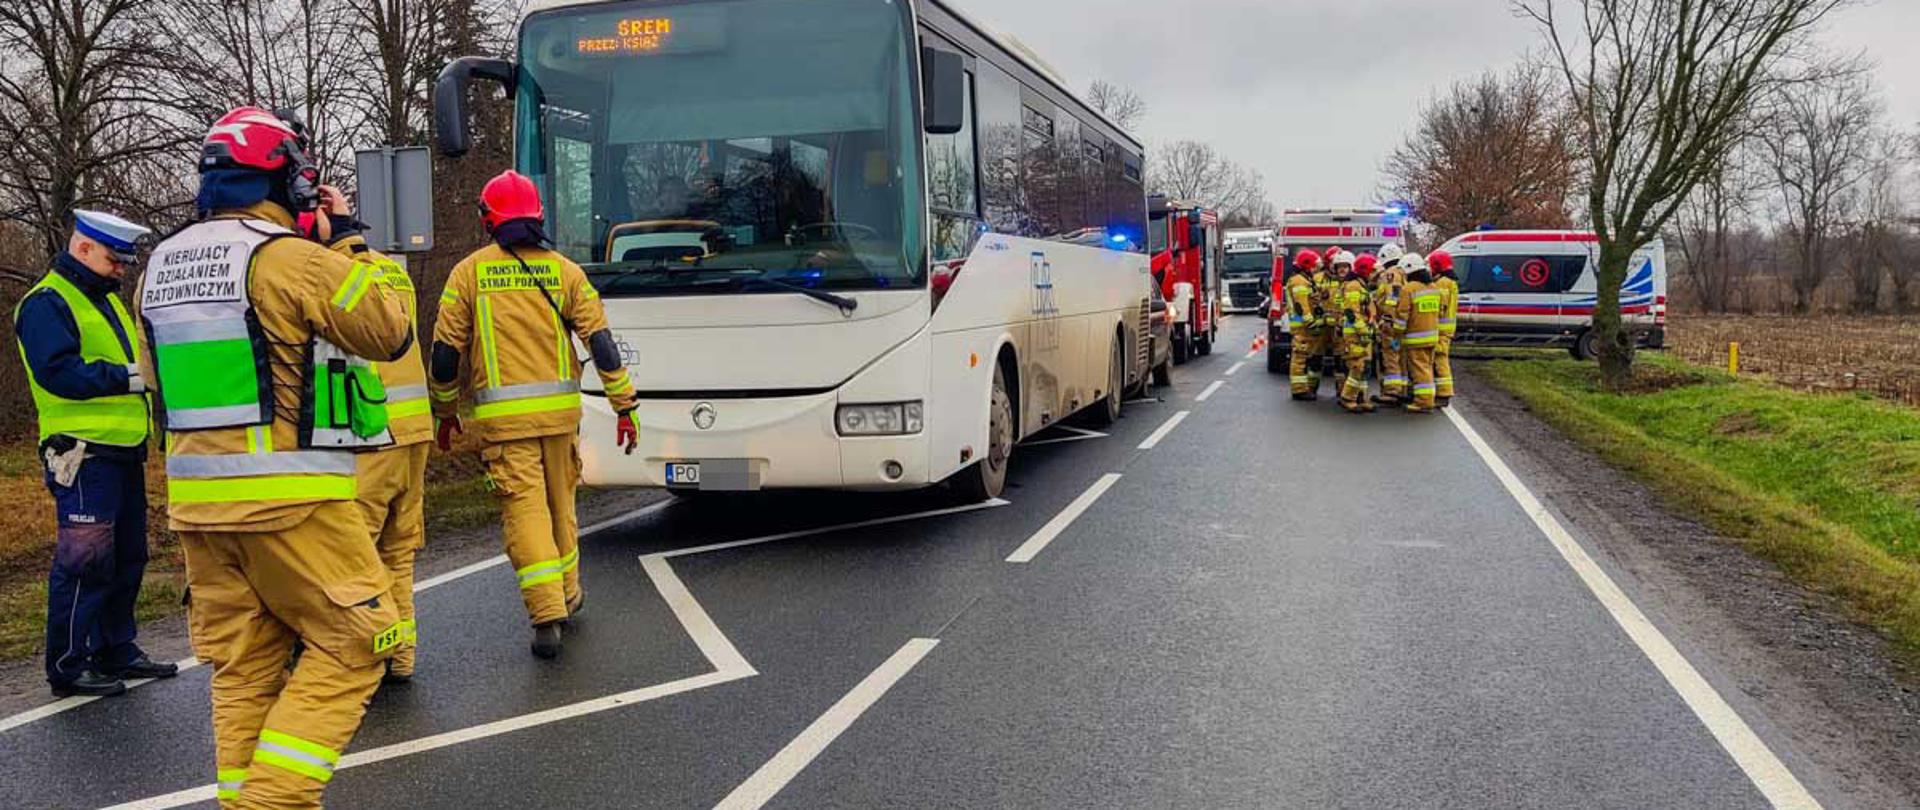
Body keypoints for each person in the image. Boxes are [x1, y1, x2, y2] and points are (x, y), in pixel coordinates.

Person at [138, 106, 412, 808]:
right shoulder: (293, 259)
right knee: (360, 642)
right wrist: (346, 239)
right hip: (292, 500)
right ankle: (271, 803)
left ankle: (245, 800)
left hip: (198, 508)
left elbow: (158, 385)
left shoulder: (158, 269)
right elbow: (389, 331)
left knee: (245, 668)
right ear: (286, 180)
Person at [429, 170, 639, 659]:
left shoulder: (467, 274)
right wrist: (624, 406)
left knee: (525, 512)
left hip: (505, 426)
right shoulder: (566, 272)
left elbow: (444, 353)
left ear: (488, 220)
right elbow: (602, 344)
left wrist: (445, 411)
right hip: (561, 419)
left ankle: (546, 613)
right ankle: (568, 593)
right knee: (561, 508)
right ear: (538, 216)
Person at [15, 210, 178, 698]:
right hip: (82, 453)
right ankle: (67, 665)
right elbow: (58, 373)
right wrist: (130, 377)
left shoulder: (103, 300)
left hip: (121, 450)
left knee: (128, 556)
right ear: (83, 249)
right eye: (113, 259)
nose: (120, 269)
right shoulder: (47, 302)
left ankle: (115, 648)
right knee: (84, 563)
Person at [338, 234, 431, 684]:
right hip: (414, 429)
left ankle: (368, 655)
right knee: (398, 549)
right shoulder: (392, 270)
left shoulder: (331, 272)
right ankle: (402, 655)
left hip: (371, 431)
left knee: (355, 554)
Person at [1397, 253, 1442, 414]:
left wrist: (1396, 332)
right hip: (1432, 336)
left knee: (1419, 370)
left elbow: (1403, 315)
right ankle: (1427, 398)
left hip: (1415, 338)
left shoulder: (1408, 289)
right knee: (1427, 368)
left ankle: (1423, 401)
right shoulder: (1434, 288)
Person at [1339, 253, 1379, 414]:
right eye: (1373, 271)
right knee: (1357, 366)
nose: (1375, 275)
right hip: (1355, 334)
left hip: (1363, 333)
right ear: (1365, 270)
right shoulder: (1353, 286)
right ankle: (1347, 398)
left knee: (1365, 367)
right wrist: (1363, 330)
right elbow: (1352, 312)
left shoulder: (1362, 286)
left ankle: (1361, 398)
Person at [1284, 249, 1325, 400]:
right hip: (1302, 327)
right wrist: (1310, 322)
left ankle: (1303, 388)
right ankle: (1299, 390)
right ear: (1307, 265)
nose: (1316, 269)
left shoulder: (1304, 279)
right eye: (1314, 266)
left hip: (1303, 326)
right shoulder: (1299, 281)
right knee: (1300, 357)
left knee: (1303, 356)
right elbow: (1302, 305)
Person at [1372, 243, 1409, 404]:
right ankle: (1403, 390)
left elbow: (1392, 297)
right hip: (1400, 322)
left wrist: (1387, 318)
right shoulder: (1402, 273)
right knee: (1400, 356)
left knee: (1390, 356)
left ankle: (1392, 392)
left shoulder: (1391, 274)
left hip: (1391, 323)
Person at [1428, 248, 1460, 407]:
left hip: (1440, 328)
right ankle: (1442, 393)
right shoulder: (1451, 282)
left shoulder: (1442, 283)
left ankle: (1444, 394)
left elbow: (1440, 307)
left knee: (1440, 360)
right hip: (1446, 328)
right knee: (1440, 359)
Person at [1324, 250, 1358, 396]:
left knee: (1353, 363)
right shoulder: (1332, 285)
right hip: (1336, 332)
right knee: (1338, 362)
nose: (1342, 270)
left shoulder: (1354, 285)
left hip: (1352, 333)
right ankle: (1341, 389)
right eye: (1339, 267)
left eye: (1345, 266)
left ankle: (1352, 393)